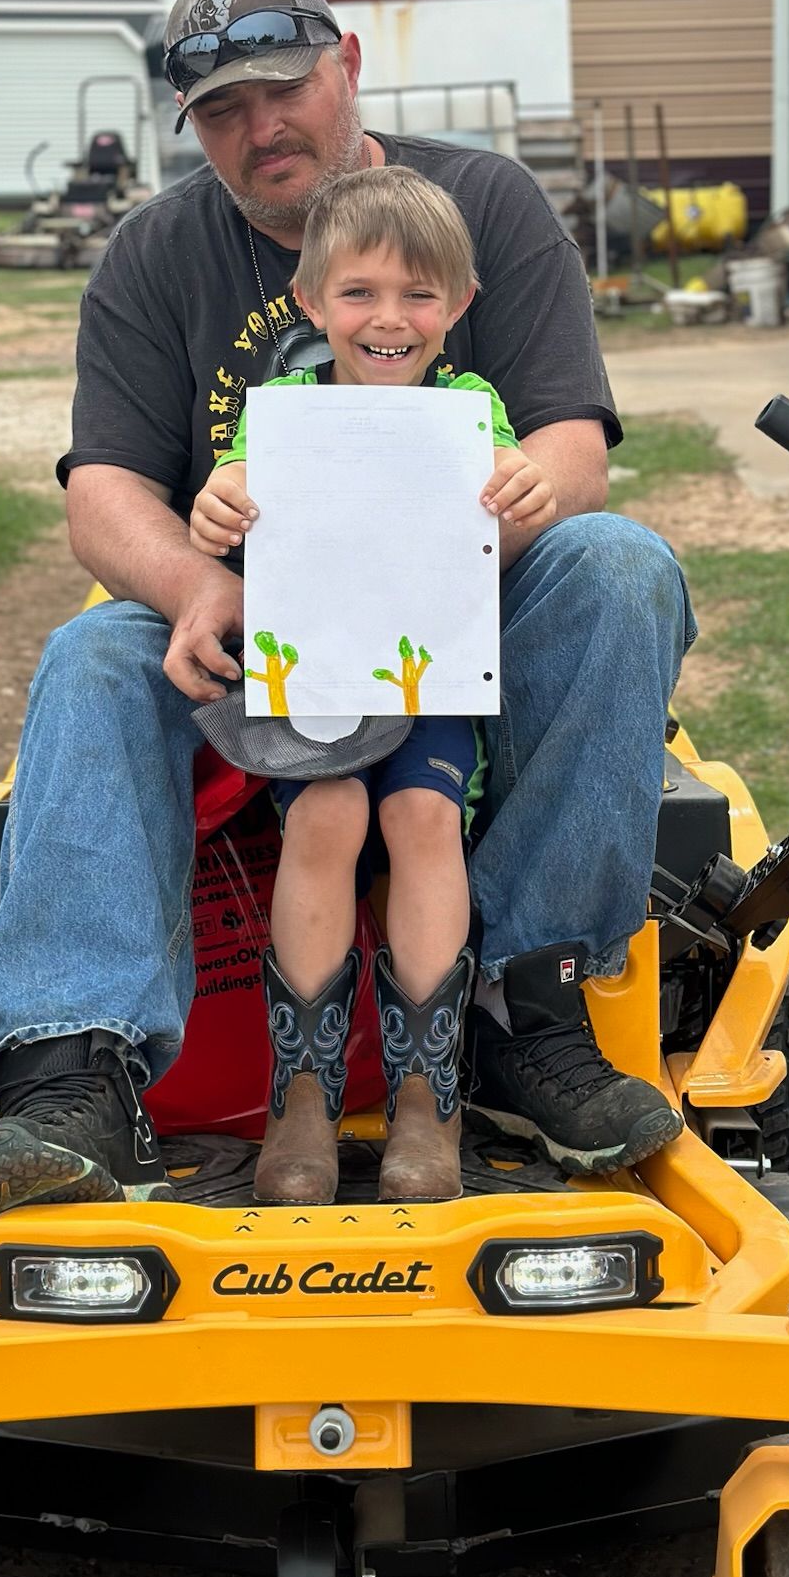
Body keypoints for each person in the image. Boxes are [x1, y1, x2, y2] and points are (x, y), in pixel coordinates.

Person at [0, 0, 693, 1226]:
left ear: (345, 62)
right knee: (88, 659)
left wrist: (530, 488)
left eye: (283, 90)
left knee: (624, 566)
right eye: (223, 111)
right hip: (247, 622)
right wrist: (194, 579)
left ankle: (524, 1005)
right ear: (191, 125)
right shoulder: (153, 254)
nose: (262, 128)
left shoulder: (490, 204)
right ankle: (73, 1070)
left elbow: (576, 441)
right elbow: (102, 493)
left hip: (467, 600)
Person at [190, 166, 553, 1207]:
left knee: (423, 812)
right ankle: (298, 1095)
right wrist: (222, 503)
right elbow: (235, 491)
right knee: (329, 816)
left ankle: (423, 1101)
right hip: (321, 682)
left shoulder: (469, 406)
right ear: (312, 302)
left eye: (418, 294)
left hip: (428, 672)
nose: (389, 318)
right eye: (359, 293)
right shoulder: (282, 415)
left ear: (460, 304)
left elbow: (510, 476)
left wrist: (521, 480)